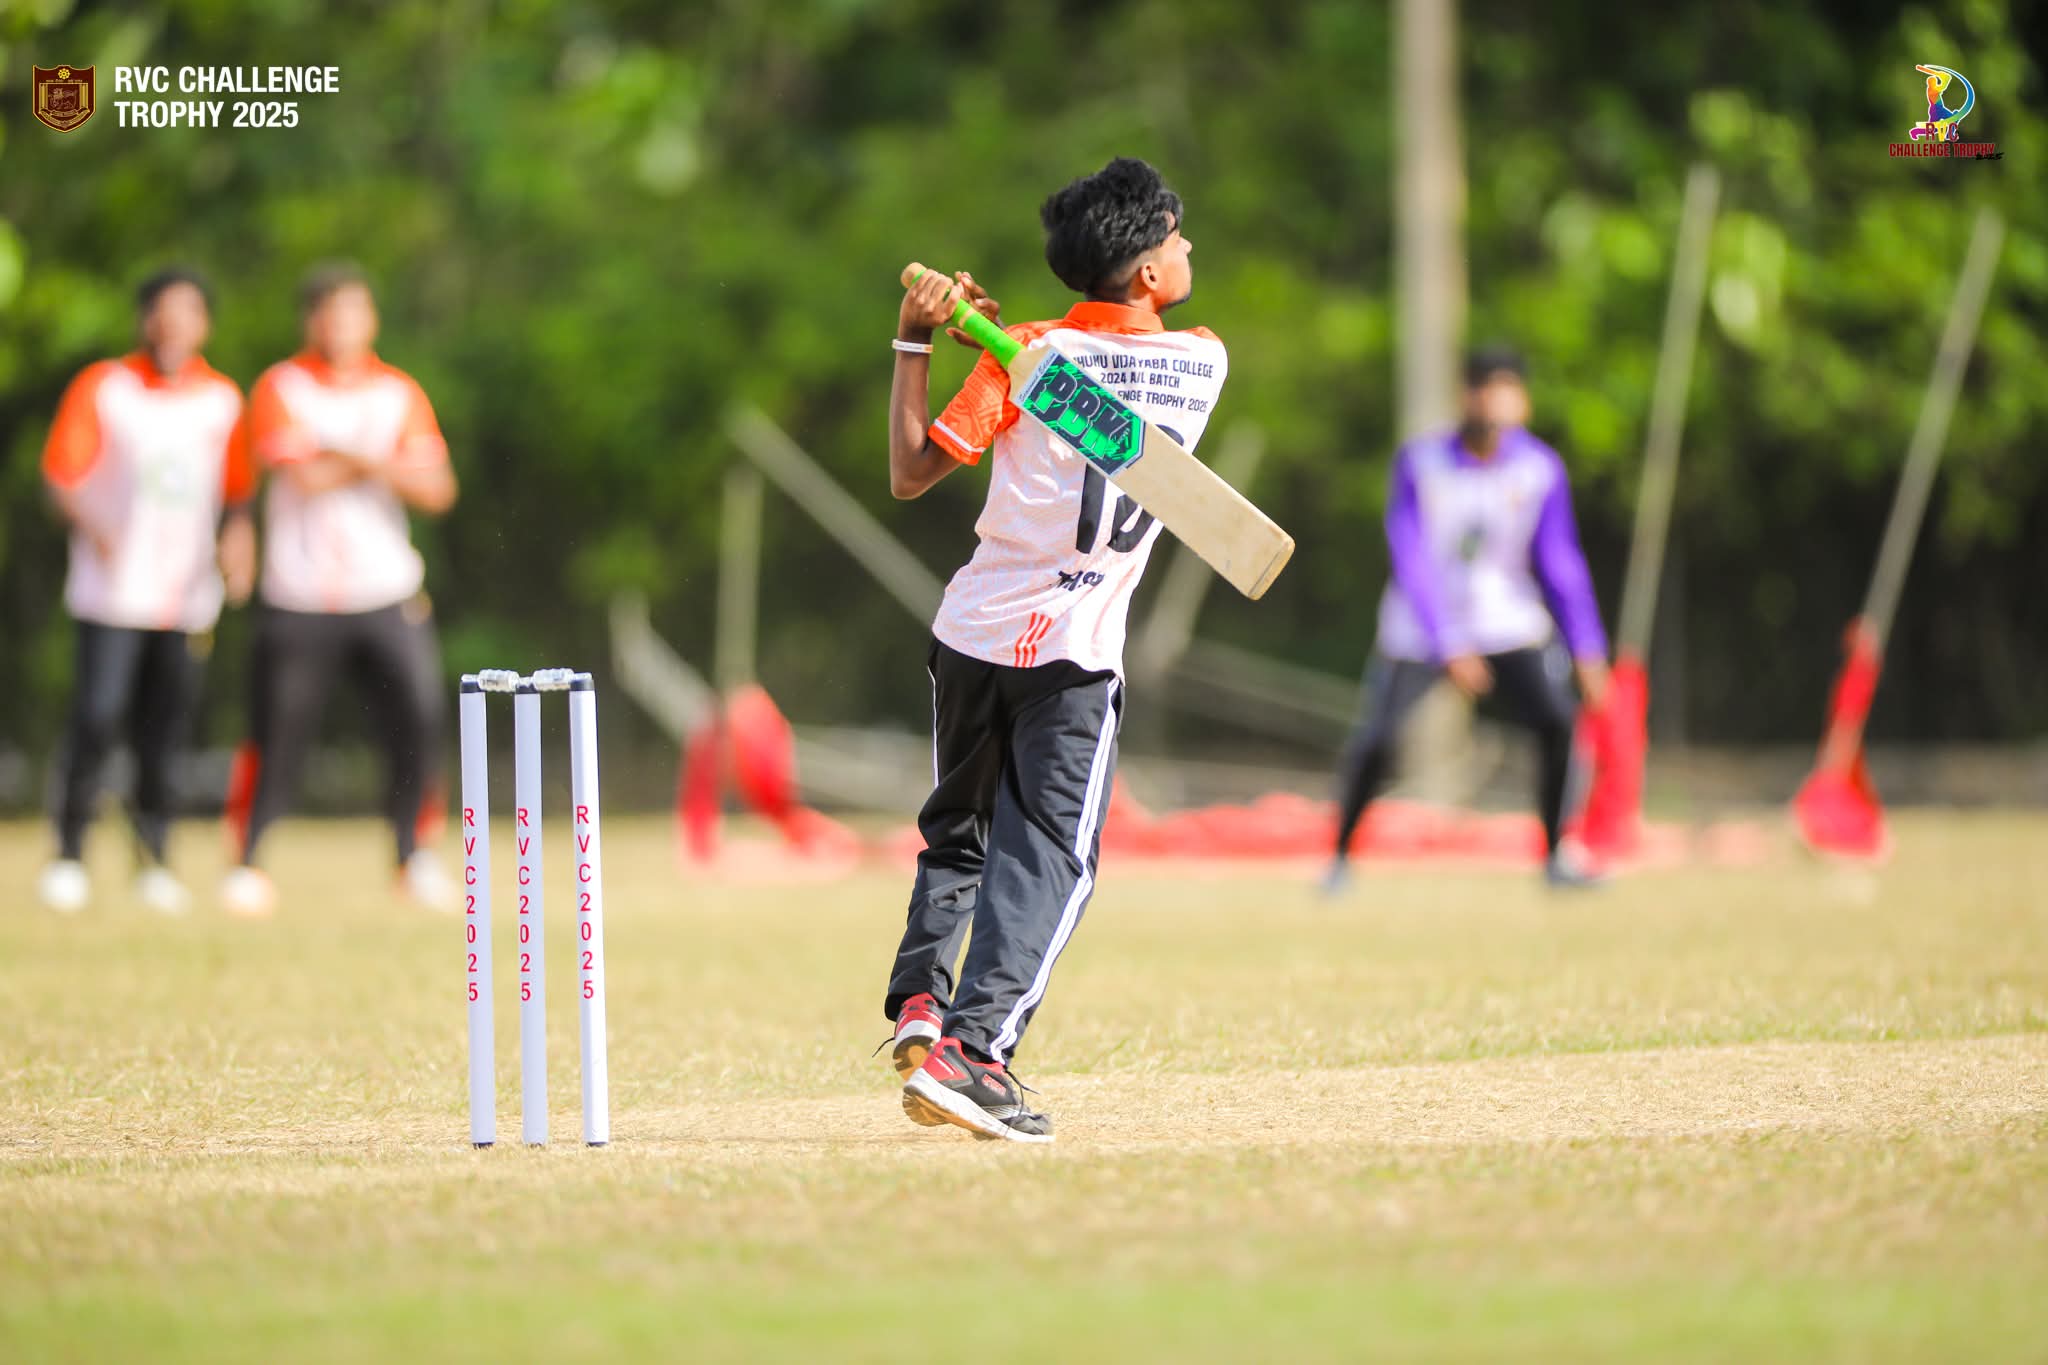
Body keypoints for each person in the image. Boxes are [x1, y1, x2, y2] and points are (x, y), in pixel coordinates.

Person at [881, 158, 1227, 1142]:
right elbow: (1109, 371)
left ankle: (921, 998)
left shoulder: (1025, 354)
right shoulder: (1204, 360)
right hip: (1074, 652)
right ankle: (973, 1055)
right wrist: (1004, 343)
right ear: (1148, 273)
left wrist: (918, 337)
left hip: (972, 632)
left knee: (959, 831)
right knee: (1051, 859)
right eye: (1177, 237)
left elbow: (911, 472)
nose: (1188, 248)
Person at [221, 263, 458, 916]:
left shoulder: (399, 391)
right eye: (330, 312)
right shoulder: (283, 386)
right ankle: (248, 861)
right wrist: (383, 461)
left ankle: (413, 855)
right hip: (300, 592)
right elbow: (303, 477)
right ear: (311, 321)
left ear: (371, 319)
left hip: (387, 588)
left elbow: (438, 488)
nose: (342, 325)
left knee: (418, 721)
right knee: (277, 732)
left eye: (354, 311)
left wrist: (349, 456)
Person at [1326, 347, 1610, 891]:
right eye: (1481, 387)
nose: (1491, 401)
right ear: (1464, 395)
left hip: (1506, 620)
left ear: (1522, 401)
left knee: (1558, 723)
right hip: (1421, 627)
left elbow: (1559, 561)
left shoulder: (1539, 469)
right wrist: (1448, 642)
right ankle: (1338, 859)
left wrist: (1587, 646)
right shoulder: (1422, 463)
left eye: (1504, 388)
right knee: (1378, 739)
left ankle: (1557, 855)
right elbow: (1410, 556)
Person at [36, 268, 254, 915]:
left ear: (204, 324)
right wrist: (90, 521)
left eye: (188, 312)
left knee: (165, 732)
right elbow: (61, 475)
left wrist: (239, 543)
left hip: (185, 595)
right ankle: (69, 853)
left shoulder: (221, 399)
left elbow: (237, 493)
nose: (173, 324)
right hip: (112, 591)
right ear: (145, 319)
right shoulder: (106, 388)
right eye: (163, 311)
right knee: (98, 717)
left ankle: (155, 857)